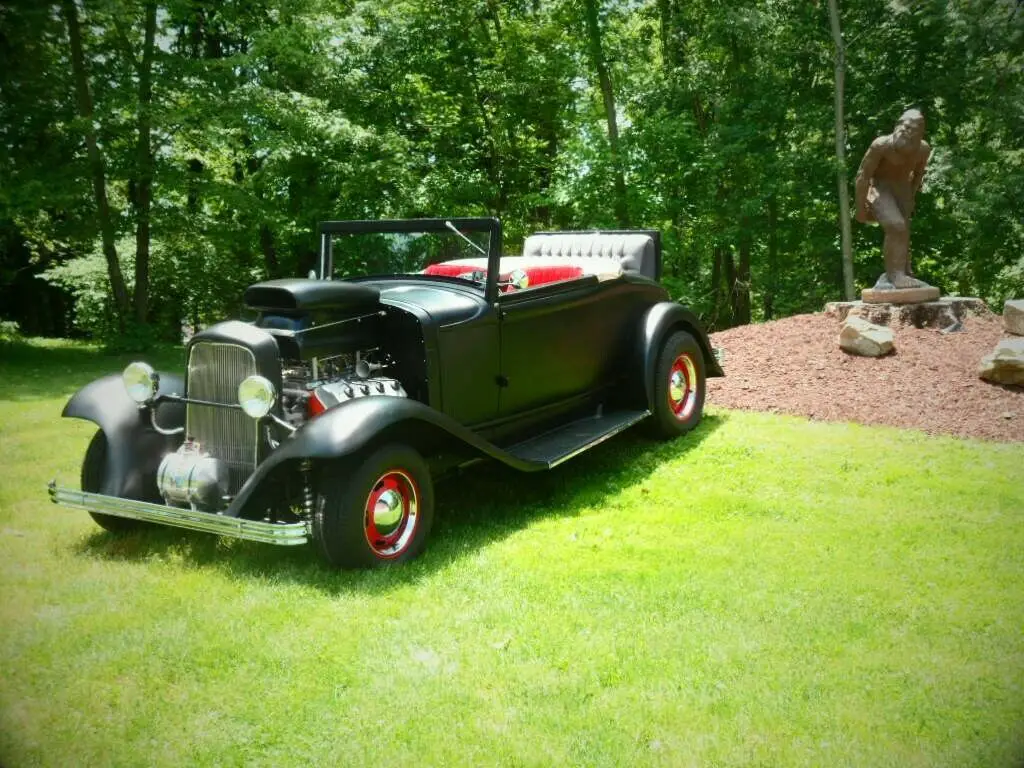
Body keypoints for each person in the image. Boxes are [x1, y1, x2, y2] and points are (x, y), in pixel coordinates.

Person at [854, 109, 932, 290]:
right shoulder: (881, 145)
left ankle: (903, 271)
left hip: (902, 189)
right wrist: (860, 208)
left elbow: (919, 174)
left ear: (920, 133)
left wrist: (911, 196)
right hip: (879, 188)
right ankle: (895, 275)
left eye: (914, 129)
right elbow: (862, 176)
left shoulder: (923, 149)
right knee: (896, 226)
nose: (907, 131)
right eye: (905, 126)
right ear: (898, 125)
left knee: (904, 231)